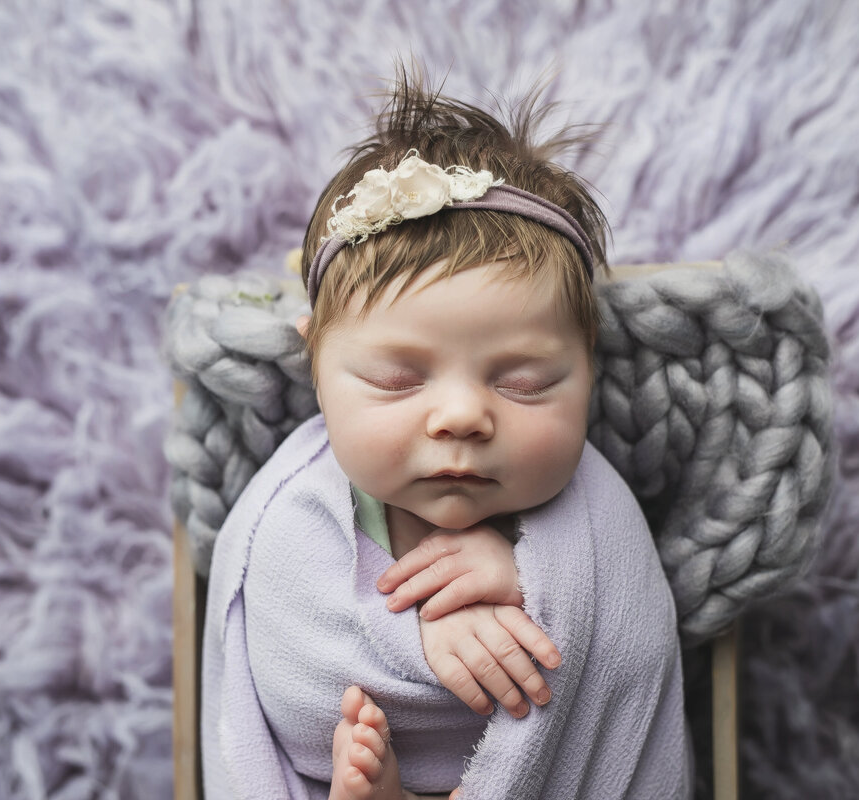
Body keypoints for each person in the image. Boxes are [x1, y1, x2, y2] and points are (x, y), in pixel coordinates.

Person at [201, 72, 690, 800]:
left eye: (523, 382)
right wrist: (420, 642)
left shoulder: (594, 518)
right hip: (335, 766)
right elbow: (286, 678)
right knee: (348, 741)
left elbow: (626, 646)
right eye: (399, 379)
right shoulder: (290, 513)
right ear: (316, 365)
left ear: (589, 370)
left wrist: (533, 583)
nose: (461, 417)